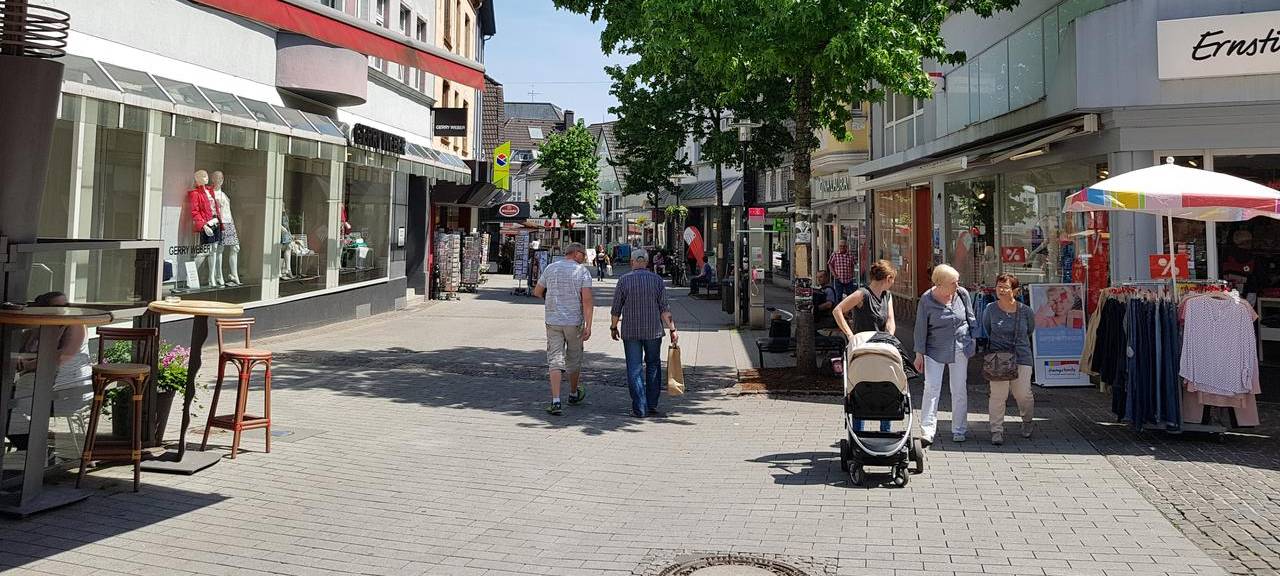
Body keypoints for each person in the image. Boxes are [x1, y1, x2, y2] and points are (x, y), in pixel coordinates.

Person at [7, 291, 93, 451]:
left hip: (67, 390)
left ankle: (34, 449)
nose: (63, 310)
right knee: (6, 401)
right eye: (57, 307)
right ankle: (34, 446)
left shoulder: (75, 325)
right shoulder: (38, 328)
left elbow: (61, 358)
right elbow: (20, 351)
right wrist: (18, 359)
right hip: (37, 387)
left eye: (65, 305)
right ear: (42, 309)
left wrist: (27, 365)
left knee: (6, 402)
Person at [610, 249, 678, 418]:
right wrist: (672, 329)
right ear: (647, 262)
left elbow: (616, 308)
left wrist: (613, 327)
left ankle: (639, 407)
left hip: (631, 331)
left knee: (634, 368)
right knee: (653, 365)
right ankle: (652, 404)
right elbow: (664, 309)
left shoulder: (623, 280)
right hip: (653, 331)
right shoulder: (657, 280)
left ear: (632, 262)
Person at [913, 264, 976, 445]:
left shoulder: (961, 294)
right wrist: (919, 354)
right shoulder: (926, 299)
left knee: (959, 389)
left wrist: (974, 340)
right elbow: (920, 329)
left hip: (960, 346)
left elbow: (971, 318)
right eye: (953, 283)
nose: (957, 286)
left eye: (957, 282)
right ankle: (927, 430)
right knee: (931, 388)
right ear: (940, 283)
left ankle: (959, 429)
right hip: (935, 348)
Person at [532, 242, 593, 416]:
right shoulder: (582, 272)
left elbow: (537, 291)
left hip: (553, 321)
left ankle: (556, 400)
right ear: (576, 254)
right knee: (574, 358)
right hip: (573, 322)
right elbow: (587, 300)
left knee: (555, 360)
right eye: (583, 254)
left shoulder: (551, 268)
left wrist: (551, 298)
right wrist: (589, 325)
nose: (584, 258)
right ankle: (573, 393)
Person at [983, 273, 1036, 445]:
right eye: (999, 287)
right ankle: (996, 430)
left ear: (1016, 290)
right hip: (998, 358)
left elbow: (1029, 331)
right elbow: (987, 329)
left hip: (1021, 356)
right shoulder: (990, 309)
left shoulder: (1026, 311)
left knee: (1023, 394)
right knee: (998, 395)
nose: (1002, 291)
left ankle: (1027, 420)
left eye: (1006, 288)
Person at [833, 259, 897, 338]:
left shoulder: (887, 295)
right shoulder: (863, 294)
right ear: (888, 278)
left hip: (881, 345)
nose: (893, 283)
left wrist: (889, 338)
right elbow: (837, 310)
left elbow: (890, 320)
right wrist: (850, 335)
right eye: (893, 279)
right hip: (863, 343)